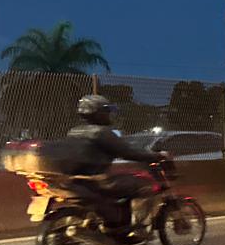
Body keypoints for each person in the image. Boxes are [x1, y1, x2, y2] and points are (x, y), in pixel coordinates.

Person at [67, 94, 161, 231]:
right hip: (99, 180)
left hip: (78, 179)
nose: (109, 114)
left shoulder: (73, 131)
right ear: (97, 113)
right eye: (106, 111)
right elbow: (128, 153)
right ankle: (137, 226)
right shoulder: (102, 132)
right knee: (145, 184)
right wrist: (156, 156)